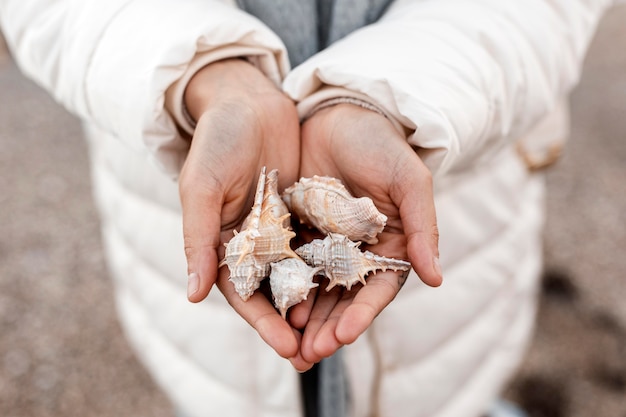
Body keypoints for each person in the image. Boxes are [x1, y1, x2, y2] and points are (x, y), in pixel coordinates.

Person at [0, 1, 619, 416]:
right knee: (222, 391)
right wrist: (203, 72)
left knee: (450, 385)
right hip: (197, 247)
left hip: (463, 212)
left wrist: (395, 96)